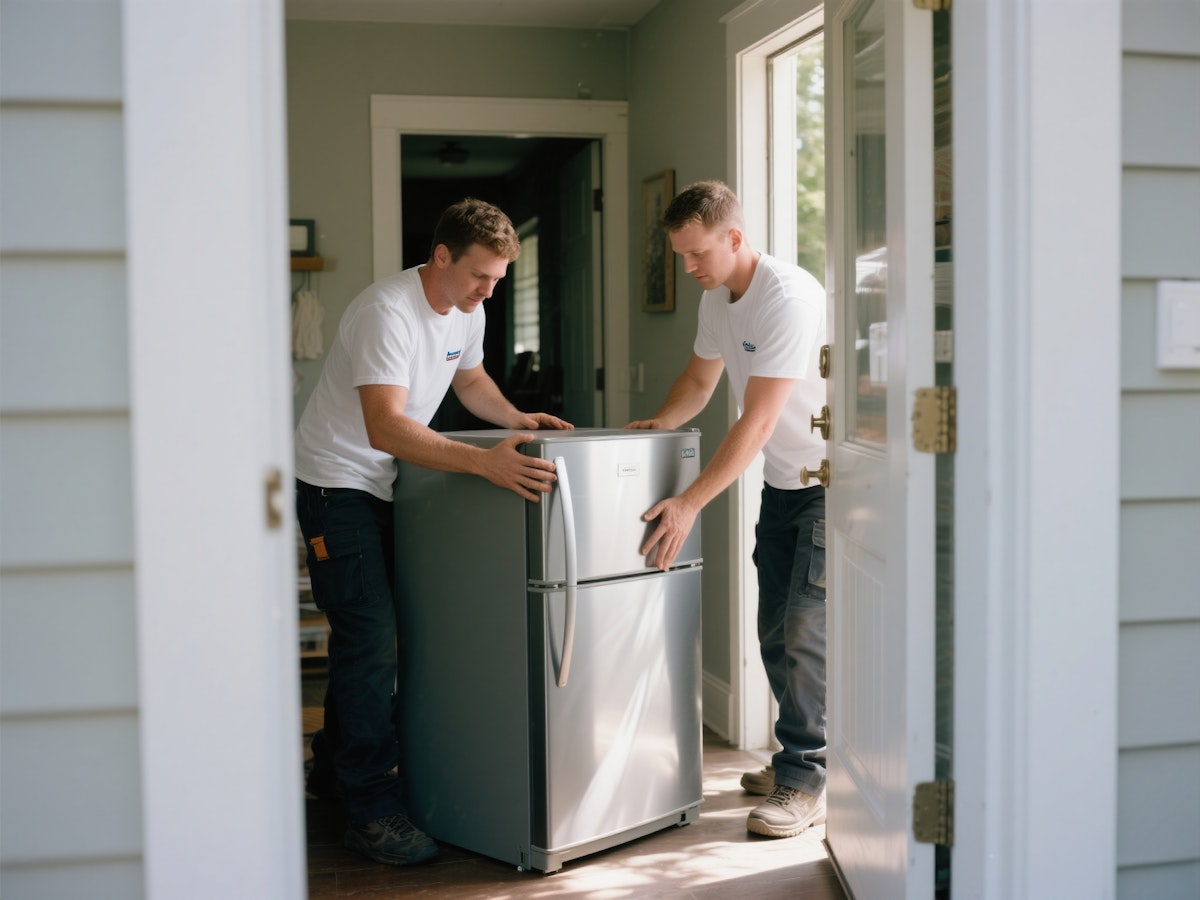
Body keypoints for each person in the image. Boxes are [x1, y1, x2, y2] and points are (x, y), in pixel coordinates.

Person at [294, 198, 573, 866]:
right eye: (482, 275)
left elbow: (470, 380)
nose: (489, 291)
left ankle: (333, 773)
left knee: (372, 641)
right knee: (372, 643)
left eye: (500, 279)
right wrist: (484, 462)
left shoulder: (465, 310)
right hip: (336, 486)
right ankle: (369, 811)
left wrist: (517, 422)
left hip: (389, 483)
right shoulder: (385, 313)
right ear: (442, 256)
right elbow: (384, 427)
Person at [627, 180, 827, 839]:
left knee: (804, 632)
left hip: (830, 483)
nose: (690, 269)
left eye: (697, 254)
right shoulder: (718, 299)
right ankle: (795, 763)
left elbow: (760, 419)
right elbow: (698, 379)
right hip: (781, 485)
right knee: (774, 629)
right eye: (681, 256)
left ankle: (804, 780)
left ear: (735, 237)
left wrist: (687, 502)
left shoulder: (787, 299)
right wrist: (658, 424)